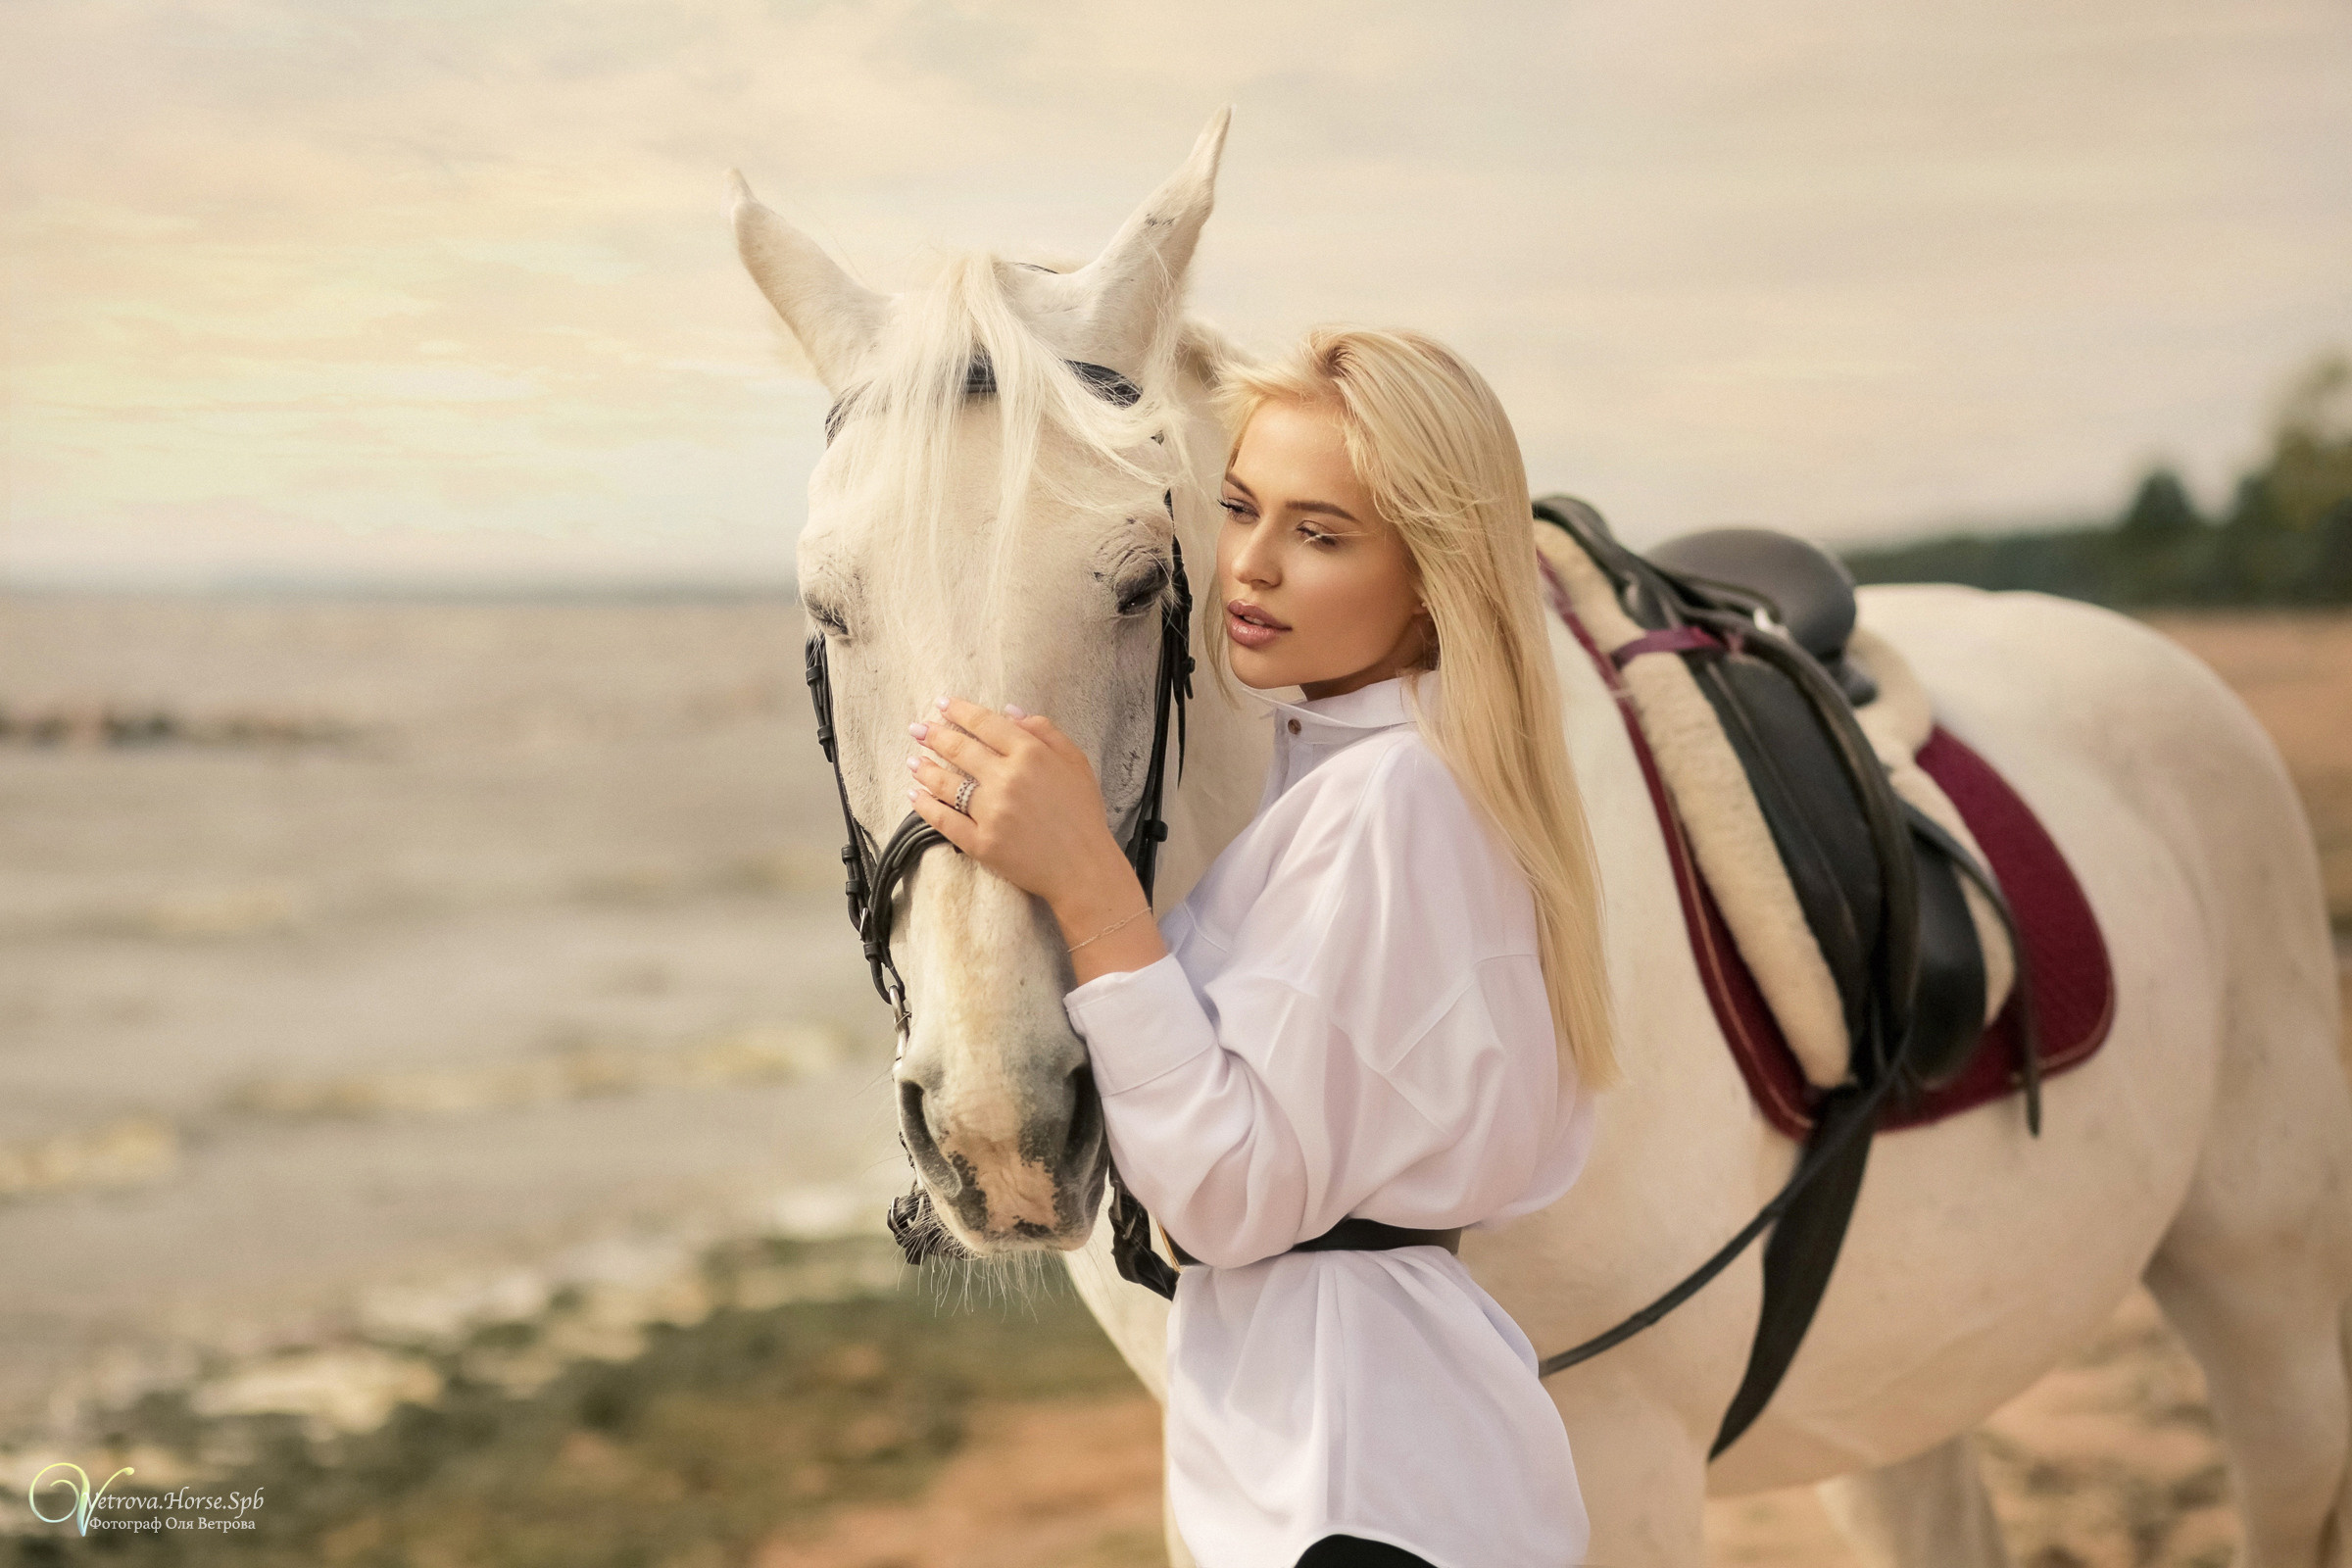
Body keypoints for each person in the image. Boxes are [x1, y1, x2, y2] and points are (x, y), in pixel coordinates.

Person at [901, 326, 1618, 1568]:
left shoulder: (1391, 803)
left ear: (1434, 572)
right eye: (1239, 509)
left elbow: (1230, 1194)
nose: (1252, 566)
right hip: (1372, 1454)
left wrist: (1090, 883)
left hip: (1354, 1484)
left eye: (1322, 533)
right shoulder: (1389, 782)